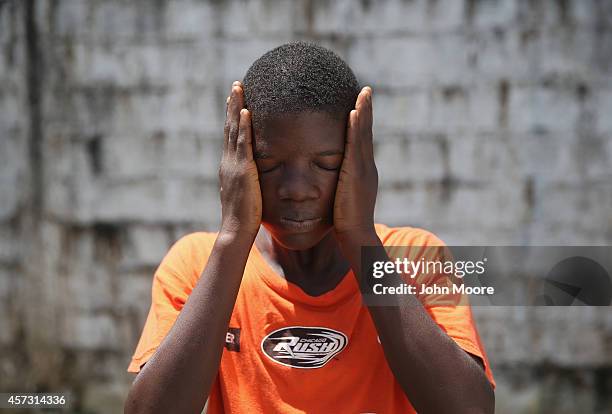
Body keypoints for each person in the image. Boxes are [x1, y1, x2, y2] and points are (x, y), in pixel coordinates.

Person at [124, 42, 495, 414]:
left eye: (327, 163)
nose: (297, 190)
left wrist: (361, 238)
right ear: (238, 160)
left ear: (359, 158)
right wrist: (234, 237)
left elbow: (470, 409)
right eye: (269, 164)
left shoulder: (414, 257)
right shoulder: (198, 263)